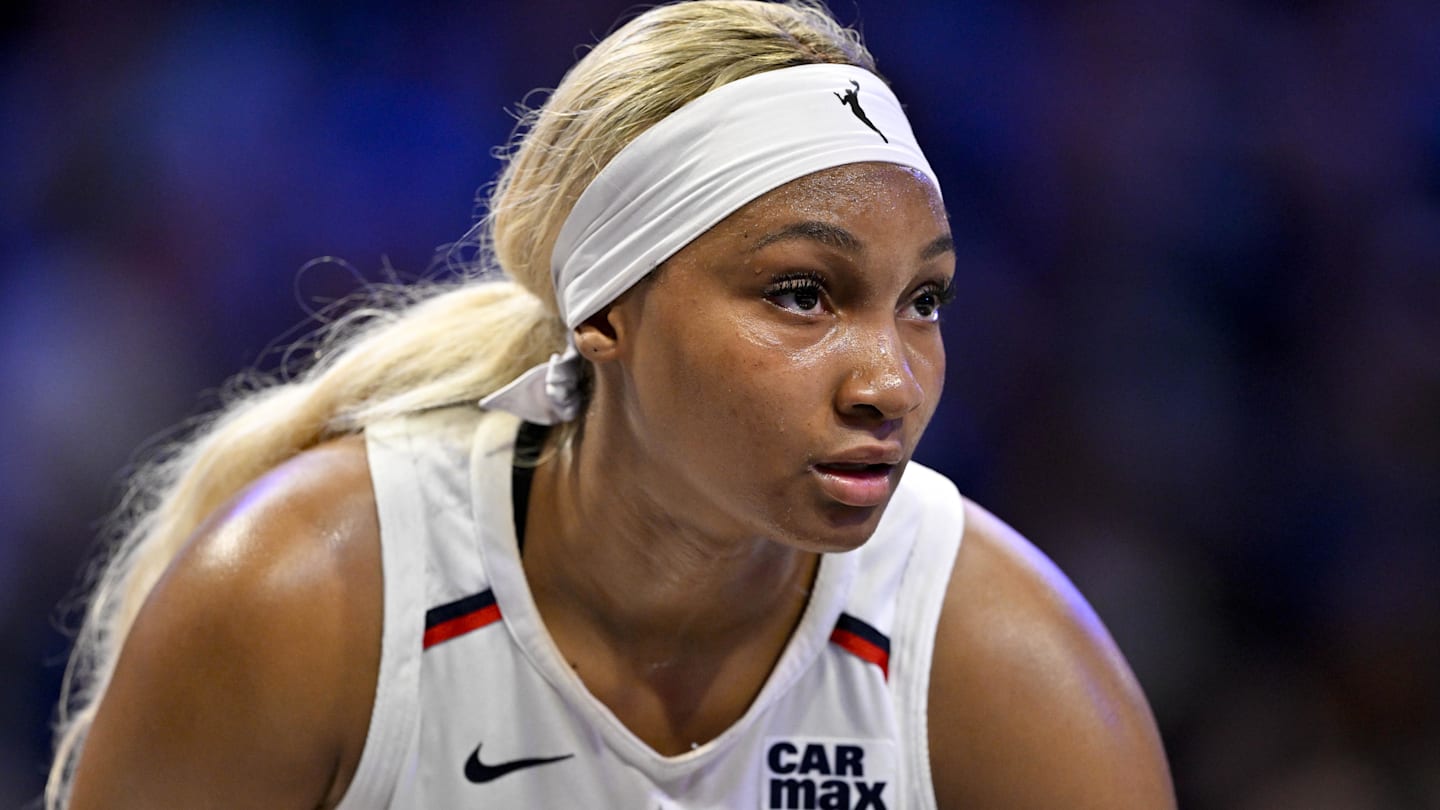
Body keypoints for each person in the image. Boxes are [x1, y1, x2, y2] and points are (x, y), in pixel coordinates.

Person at [48, 1, 1175, 807]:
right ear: (606, 311)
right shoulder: (309, 601)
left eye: (923, 300)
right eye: (802, 294)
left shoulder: (1000, 660)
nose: (887, 379)